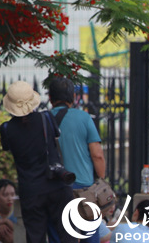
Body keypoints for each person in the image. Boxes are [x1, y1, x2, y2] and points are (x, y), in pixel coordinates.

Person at [0, 80, 76, 243]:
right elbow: (55, 137)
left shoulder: (6, 128)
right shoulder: (46, 118)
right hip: (56, 184)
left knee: (35, 237)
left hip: (31, 190)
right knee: (67, 235)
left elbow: (8, 148)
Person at [49, 78, 106, 243]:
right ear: (73, 97)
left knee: (57, 235)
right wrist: (101, 180)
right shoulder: (84, 118)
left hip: (54, 187)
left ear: (51, 98)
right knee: (89, 233)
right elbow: (97, 154)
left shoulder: (43, 119)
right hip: (83, 188)